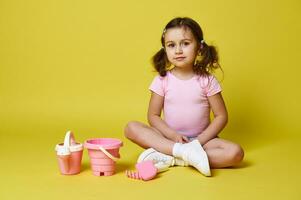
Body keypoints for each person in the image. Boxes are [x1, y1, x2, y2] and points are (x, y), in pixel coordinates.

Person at [124, 17, 244, 176]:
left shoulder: (207, 80)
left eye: (185, 43)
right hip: (169, 140)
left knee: (235, 153)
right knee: (131, 128)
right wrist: (173, 136)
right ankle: (181, 153)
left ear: (199, 47)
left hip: (202, 142)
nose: (178, 50)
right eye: (171, 45)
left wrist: (198, 142)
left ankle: (173, 158)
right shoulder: (162, 80)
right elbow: (153, 116)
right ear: (165, 49)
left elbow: (221, 116)